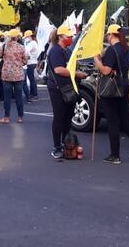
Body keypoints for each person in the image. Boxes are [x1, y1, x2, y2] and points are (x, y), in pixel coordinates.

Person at [94, 24, 129, 164]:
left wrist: (97, 60)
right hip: (124, 85)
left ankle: (115, 155)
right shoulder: (127, 49)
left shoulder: (112, 50)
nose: (107, 38)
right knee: (126, 120)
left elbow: (106, 70)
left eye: (107, 35)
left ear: (111, 35)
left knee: (112, 121)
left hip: (112, 88)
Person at [47, 24, 87, 159]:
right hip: (58, 88)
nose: (71, 38)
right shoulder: (55, 50)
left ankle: (66, 144)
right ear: (60, 37)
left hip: (69, 88)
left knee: (68, 117)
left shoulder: (67, 51)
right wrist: (76, 73)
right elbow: (58, 70)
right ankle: (57, 147)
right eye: (68, 36)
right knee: (59, 117)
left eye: (71, 36)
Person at [0, 28, 28, 124]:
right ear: (17, 37)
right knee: (18, 97)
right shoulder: (21, 47)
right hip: (18, 75)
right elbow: (25, 61)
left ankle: (6, 117)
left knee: (7, 97)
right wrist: (19, 63)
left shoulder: (4, 46)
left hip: (6, 75)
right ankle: (20, 117)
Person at [24, 30, 40, 101]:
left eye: (26, 37)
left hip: (30, 63)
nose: (26, 38)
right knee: (32, 79)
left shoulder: (31, 43)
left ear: (29, 36)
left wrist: (27, 57)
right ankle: (33, 94)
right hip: (33, 62)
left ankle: (34, 94)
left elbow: (26, 51)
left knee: (32, 79)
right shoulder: (34, 42)